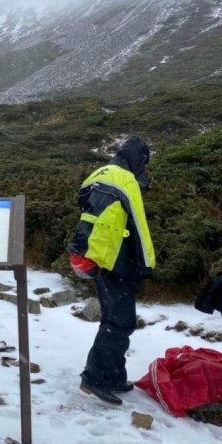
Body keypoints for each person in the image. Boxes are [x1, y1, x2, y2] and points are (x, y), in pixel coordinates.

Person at [68, 136, 155, 405]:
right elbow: (139, 226)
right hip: (113, 257)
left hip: (90, 253)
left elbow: (83, 203)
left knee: (114, 316)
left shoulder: (98, 173)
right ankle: (94, 377)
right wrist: (146, 264)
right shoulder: (127, 180)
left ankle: (114, 376)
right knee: (119, 321)